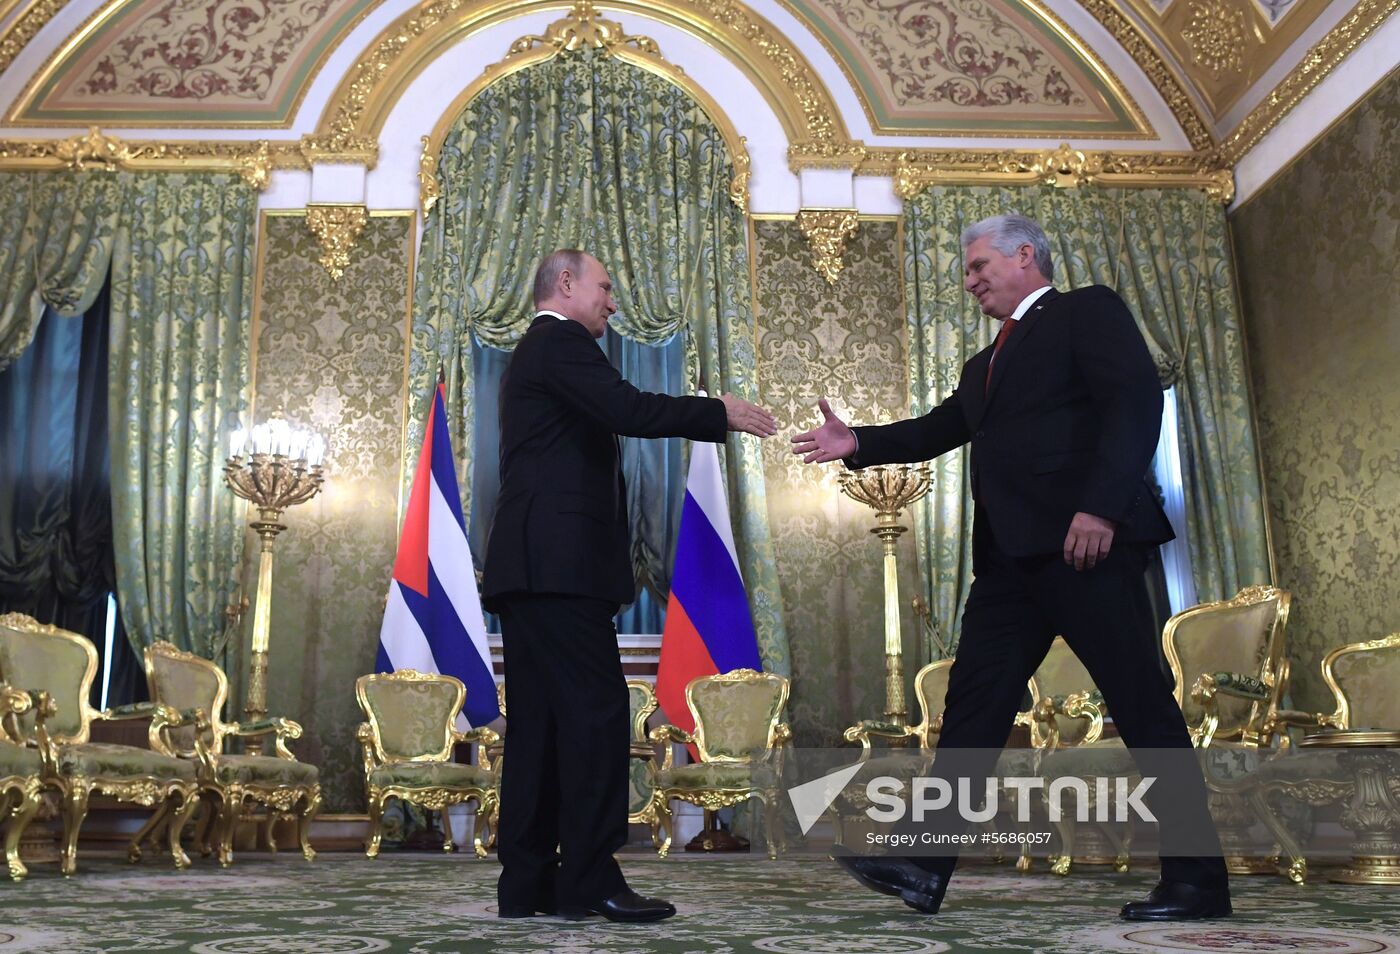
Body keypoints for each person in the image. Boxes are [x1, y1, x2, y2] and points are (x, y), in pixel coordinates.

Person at [791, 214, 1230, 921]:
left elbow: (1135, 401)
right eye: (967, 273)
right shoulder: (983, 365)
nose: (970, 283)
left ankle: (1198, 882)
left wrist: (1101, 508)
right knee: (973, 708)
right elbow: (936, 430)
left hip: (1088, 546)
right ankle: (923, 863)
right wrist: (857, 441)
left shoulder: (1087, 311)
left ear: (1026, 256)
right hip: (1008, 567)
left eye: (978, 268)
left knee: (1143, 707)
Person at [482, 249, 777, 923]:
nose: (612, 303)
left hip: (534, 571)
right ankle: (588, 880)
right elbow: (629, 408)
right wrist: (714, 411)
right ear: (564, 283)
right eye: (605, 287)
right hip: (557, 571)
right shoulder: (557, 341)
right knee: (594, 721)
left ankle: (528, 885)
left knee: (543, 729)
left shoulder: (540, 351)